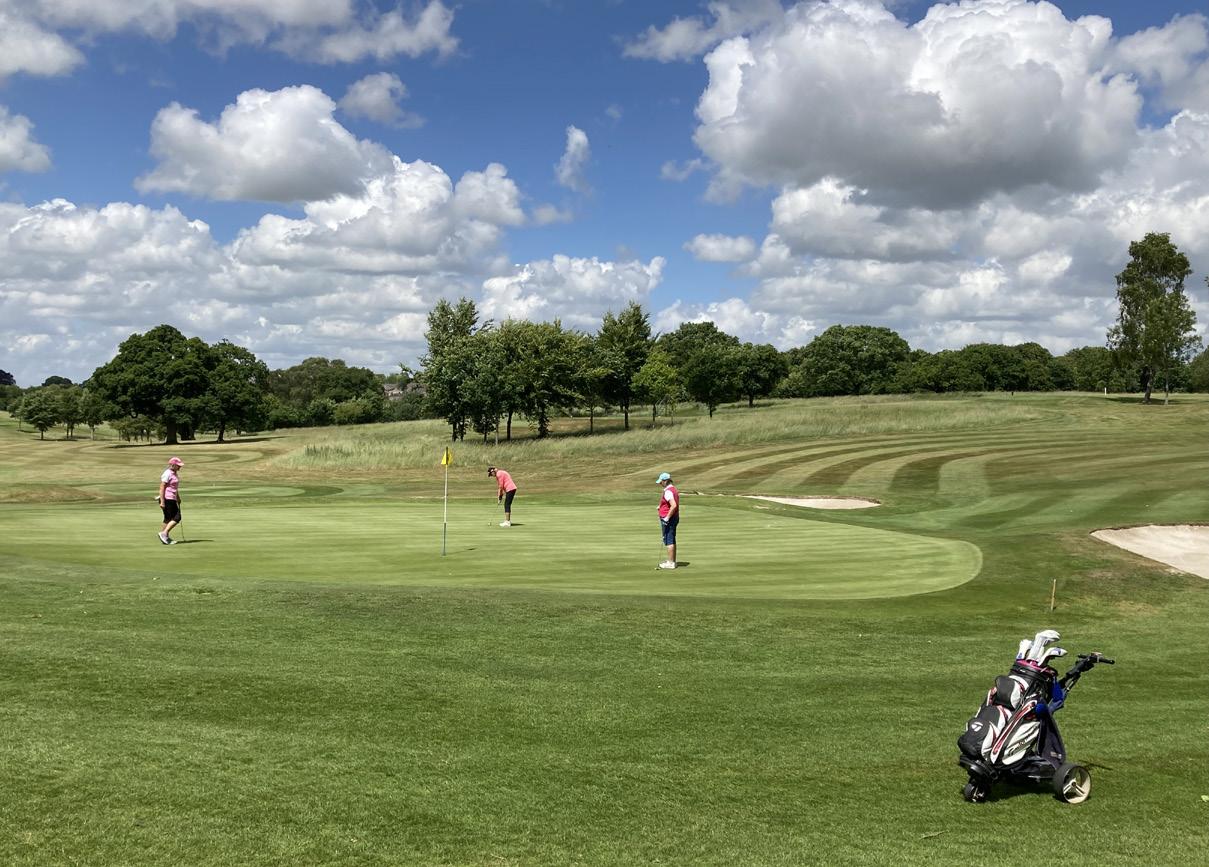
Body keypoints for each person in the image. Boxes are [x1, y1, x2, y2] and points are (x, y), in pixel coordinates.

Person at [157, 456, 184, 545]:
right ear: (173, 465)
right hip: (167, 498)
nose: (180, 467)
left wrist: (178, 497)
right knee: (177, 517)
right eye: (178, 465)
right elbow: (162, 487)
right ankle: (164, 533)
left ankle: (165, 538)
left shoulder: (174, 473)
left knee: (167, 519)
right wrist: (162, 501)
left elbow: (174, 487)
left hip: (172, 498)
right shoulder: (167, 473)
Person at [656, 471, 679, 569]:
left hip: (669, 519)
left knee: (669, 540)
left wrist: (667, 518)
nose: (660, 483)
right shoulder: (673, 489)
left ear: (665, 481)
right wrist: (660, 506)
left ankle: (670, 563)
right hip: (673, 518)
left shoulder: (668, 491)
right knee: (671, 539)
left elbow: (673, 505)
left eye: (661, 482)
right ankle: (672, 561)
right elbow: (668, 503)